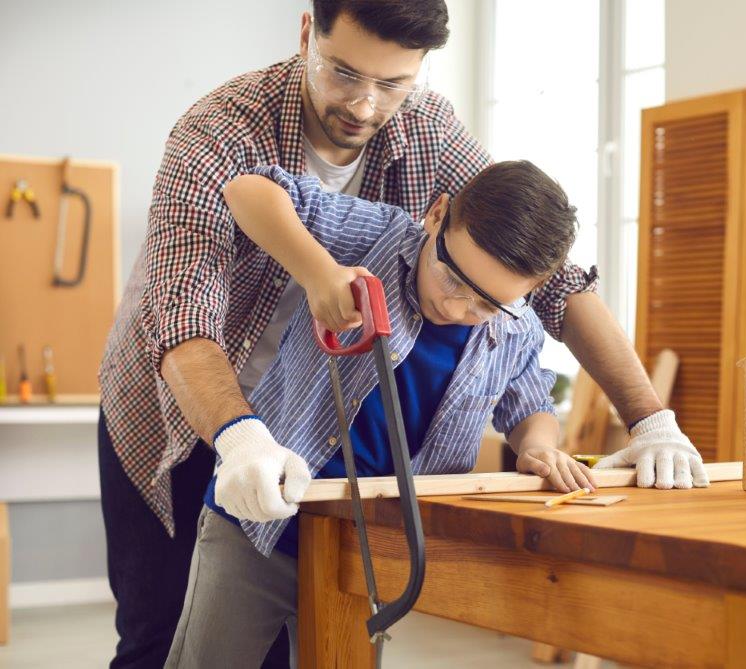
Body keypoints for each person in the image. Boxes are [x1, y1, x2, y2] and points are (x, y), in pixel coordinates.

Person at [98, 1, 706, 666]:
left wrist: (650, 419)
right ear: (308, 34)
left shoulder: (430, 132)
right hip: (182, 406)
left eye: (392, 84)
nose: (363, 105)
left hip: (321, 476)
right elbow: (184, 313)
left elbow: (546, 276)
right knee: (158, 636)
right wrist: (310, 287)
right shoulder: (220, 130)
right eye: (344, 73)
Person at [165, 159, 596, 666]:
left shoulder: (517, 330)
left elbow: (531, 406)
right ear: (438, 215)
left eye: (488, 305)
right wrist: (318, 271)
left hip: (368, 551)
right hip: (256, 525)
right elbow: (246, 191)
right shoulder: (378, 236)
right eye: (453, 279)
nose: (459, 310)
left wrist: (539, 446)